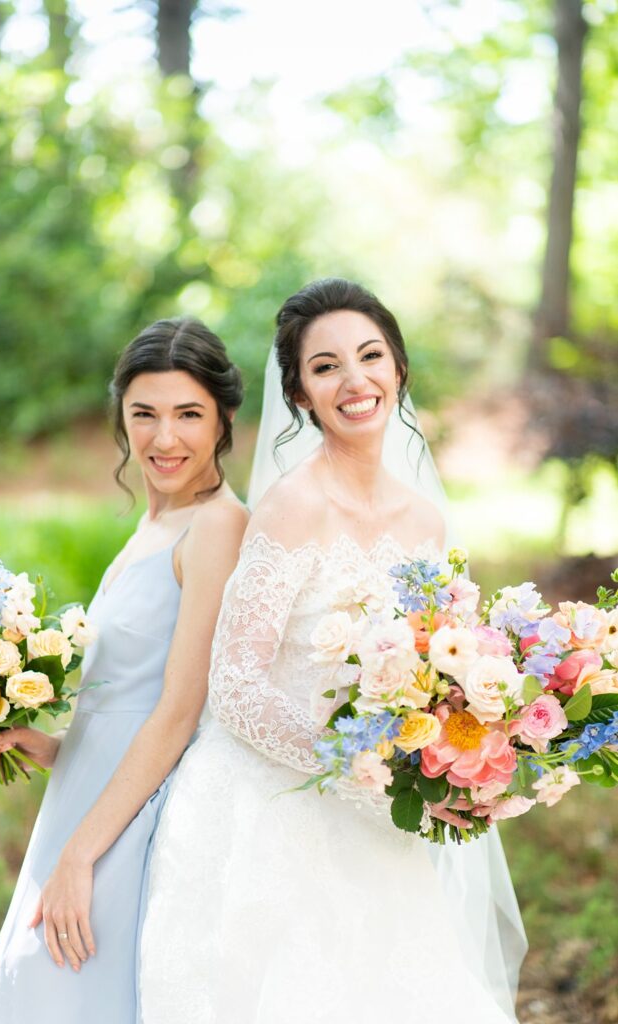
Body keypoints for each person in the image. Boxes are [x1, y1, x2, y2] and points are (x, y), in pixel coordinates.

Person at [139, 279, 525, 1023]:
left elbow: (437, 667)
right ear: (300, 393)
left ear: (399, 370)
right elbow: (236, 683)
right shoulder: (293, 506)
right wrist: (357, 771)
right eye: (325, 367)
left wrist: (456, 750)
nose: (354, 380)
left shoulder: (423, 522)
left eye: (370, 356)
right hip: (268, 811)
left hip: (378, 812)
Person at [0, 318, 249, 1024]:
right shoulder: (153, 523)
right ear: (121, 418)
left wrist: (80, 857)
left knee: (64, 989)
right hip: (86, 796)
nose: (164, 438)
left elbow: (180, 712)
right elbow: (129, 695)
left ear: (223, 419)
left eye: (188, 414)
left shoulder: (217, 525)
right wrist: (49, 746)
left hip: (126, 824)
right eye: (143, 414)